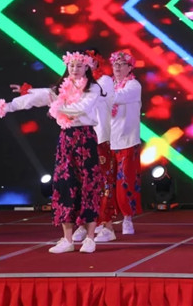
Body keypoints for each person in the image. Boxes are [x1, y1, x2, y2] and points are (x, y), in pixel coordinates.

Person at [0, 51, 105, 253]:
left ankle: (89, 238)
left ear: (86, 67)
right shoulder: (60, 89)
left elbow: (81, 108)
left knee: (88, 185)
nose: (74, 69)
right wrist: (7, 106)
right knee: (64, 184)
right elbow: (38, 98)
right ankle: (67, 239)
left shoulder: (93, 88)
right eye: (71, 65)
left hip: (85, 138)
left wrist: (58, 107)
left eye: (79, 66)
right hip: (67, 139)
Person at [72, 49, 117, 243]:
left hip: (99, 138)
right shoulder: (74, 83)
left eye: (89, 60)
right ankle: (83, 224)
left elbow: (88, 102)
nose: (85, 64)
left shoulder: (104, 81)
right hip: (80, 138)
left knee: (103, 184)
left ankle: (107, 226)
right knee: (82, 184)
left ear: (97, 62)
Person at [103, 50, 142, 236]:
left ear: (130, 67)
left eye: (122, 64)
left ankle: (127, 218)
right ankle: (105, 220)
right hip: (108, 140)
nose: (117, 67)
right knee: (106, 184)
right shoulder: (109, 84)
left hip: (127, 140)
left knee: (124, 182)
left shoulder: (133, 85)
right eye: (115, 64)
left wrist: (97, 92)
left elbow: (116, 98)